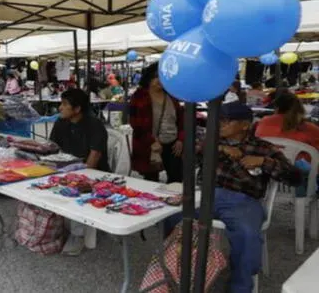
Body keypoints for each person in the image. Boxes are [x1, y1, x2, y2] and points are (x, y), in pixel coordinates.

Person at [167, 102, 301, 293]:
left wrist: (264, 162)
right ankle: (177, 272)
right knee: (170, 215)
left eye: (225, 121)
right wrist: (218, 149)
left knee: (247, 234)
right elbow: (186, 157)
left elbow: (295, 178)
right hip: (205, 196)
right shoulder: (211, 142)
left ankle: (240, 286)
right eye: (217, 120)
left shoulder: (263, 148)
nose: (219, 125)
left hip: (243, 200)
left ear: (245, 125)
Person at [49, 88, 109, 256]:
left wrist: (80, 179)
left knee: (76, 191)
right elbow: (52, 148)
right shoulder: (61, 122)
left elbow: (95, 155)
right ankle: (54, 228)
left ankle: (79, 234)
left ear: (77, 109)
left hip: (93, 172)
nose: (60, 108)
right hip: (67, 168)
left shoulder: (94, 125)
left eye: (64, 104)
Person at [129, 63, 184, 183]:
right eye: (156, 77)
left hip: (173, 144)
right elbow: (135, 124)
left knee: (176, 179)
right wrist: (152, 141)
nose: (160, 80)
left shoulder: (171, 96)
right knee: (151, 180)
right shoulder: (139, 96)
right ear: (149, 78)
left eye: (163, 77)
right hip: (149, 144)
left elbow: (181, 120)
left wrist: (180, 139)